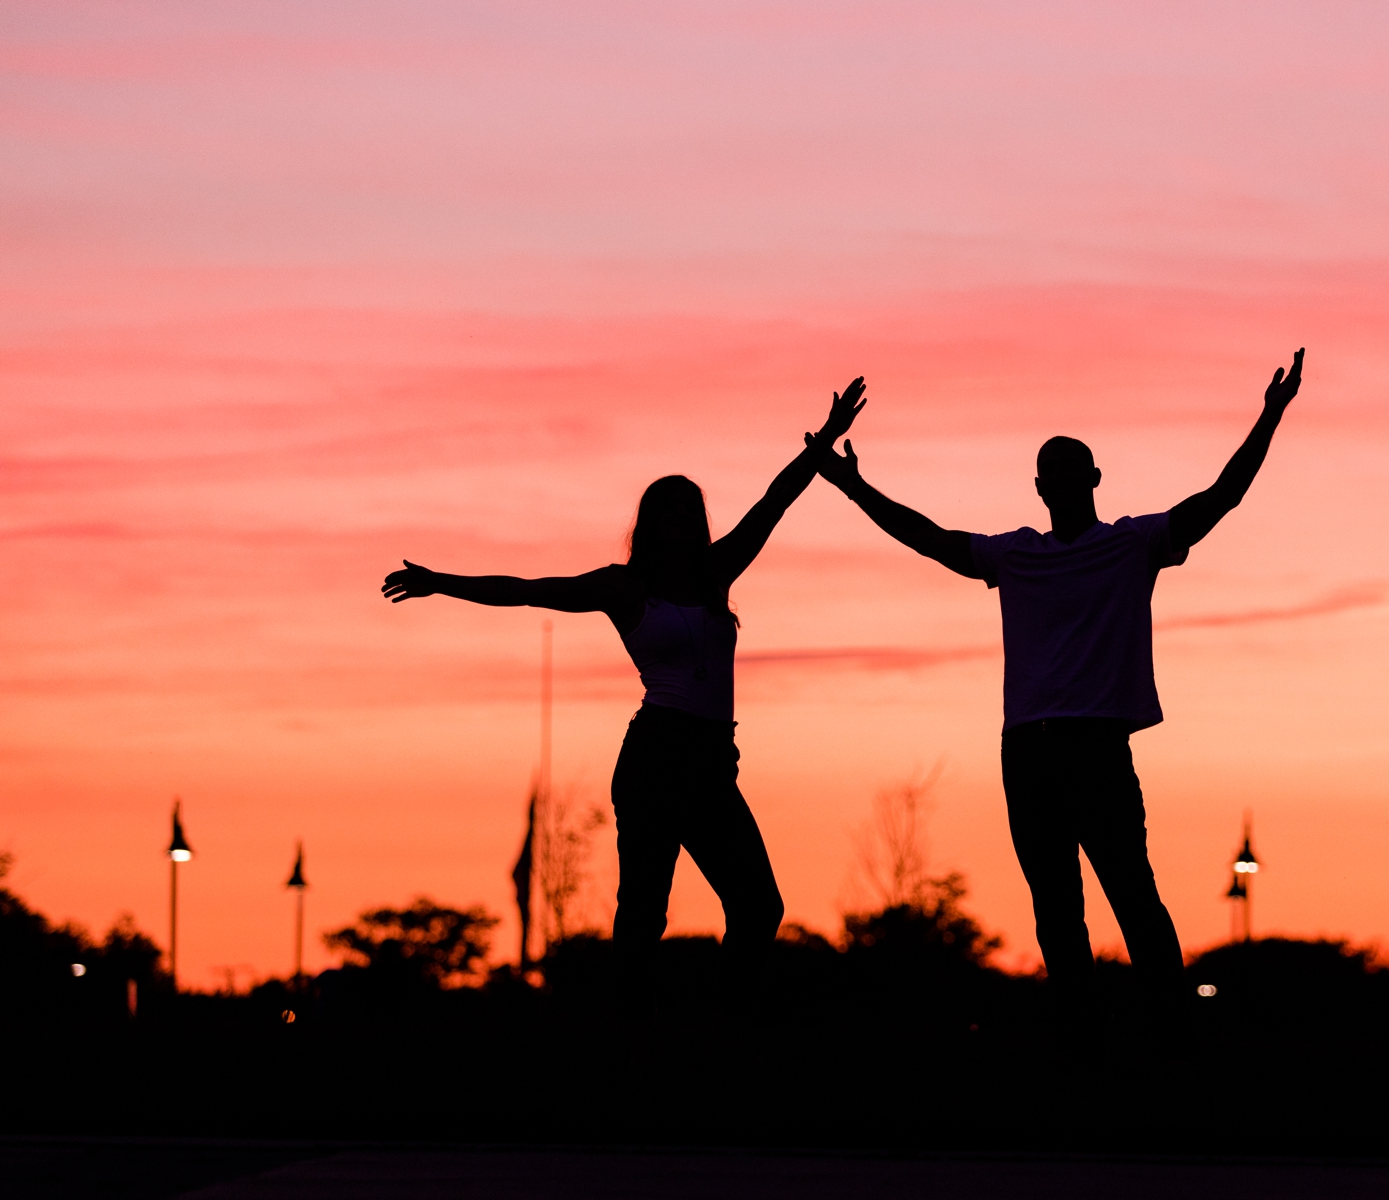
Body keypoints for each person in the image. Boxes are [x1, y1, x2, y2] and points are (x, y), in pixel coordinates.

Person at [807, 351, 1304, 1013]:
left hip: (1096, 749)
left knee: (1133, 897)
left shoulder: (1132, 545)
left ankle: (1171, 1034)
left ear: (1095, 477)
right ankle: (1082, 1044)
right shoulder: (1015, 555)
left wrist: (1271, 414)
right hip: (1030, 752)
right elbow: (928, 537)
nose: (1063, 480)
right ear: (1039, 488)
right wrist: (852, 487)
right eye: (1052, 471)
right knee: (1057, 910)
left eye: (1073, 467)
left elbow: (1222, 497)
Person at [381, 378, 868, 1012]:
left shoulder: (719, 571)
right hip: (656, 757)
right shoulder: (624, 588)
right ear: (651, 526)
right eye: (671, 515)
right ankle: (628, 1040)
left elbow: (775, 500)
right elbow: (528, 588)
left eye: (693, 513)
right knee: (643, 910)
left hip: (713, 761)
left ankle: (726, 1031)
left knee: (757, 906)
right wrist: (438, 582)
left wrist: (824, 439)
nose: (684, 525)